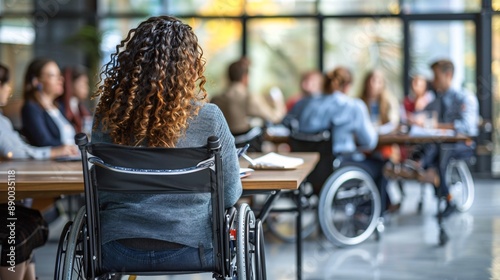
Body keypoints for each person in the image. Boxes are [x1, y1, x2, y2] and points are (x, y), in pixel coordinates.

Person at [91, 16, 242, 272]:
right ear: (190, 66)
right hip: (193, 249)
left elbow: (101, 196)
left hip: (115, 248)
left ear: (131, 64)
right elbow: (229, 195)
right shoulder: (209, 118)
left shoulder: (107, 119)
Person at [0, 63, 75, 280]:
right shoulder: (24, 111)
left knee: (31, 222)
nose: (9, 90)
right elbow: (16, 151)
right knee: (24, 228)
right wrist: (52, 152)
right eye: (5, 85)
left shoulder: (3, 120)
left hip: (14, 187)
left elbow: (21, 150)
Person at [283, 67, 393, 211]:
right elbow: (369, 142)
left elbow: (285, 122)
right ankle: (370, 213)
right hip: (339, 165)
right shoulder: (353, 106)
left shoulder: (303, 104)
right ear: (347, 86)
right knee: (380, 164)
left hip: (308, 169)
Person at [403, 59, 479, 217]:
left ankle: (428, 173)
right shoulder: (436, 100)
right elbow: (424, 116)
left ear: (448, 75)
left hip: (461, 145)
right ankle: (424, 170)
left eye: (436, 76)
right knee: (432, 149)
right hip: (439, 146)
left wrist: (439, 126)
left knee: (440, 151)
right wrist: (418, 118)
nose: (433, 81)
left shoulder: (465, 98)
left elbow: (467, 127)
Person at [211, 57, 286, 150]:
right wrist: (278, 102)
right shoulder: (249, 97)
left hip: (223, 147)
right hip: (246, 146)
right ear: (245, 77)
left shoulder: (216, 99)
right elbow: (275, 118)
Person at [21, 58, 76, 147]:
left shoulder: (59, 107)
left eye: (60, 75)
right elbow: (44, 142)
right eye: (53, 75)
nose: (61, 79)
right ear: (36, 81)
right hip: (54, 160)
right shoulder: (31, 108)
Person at [58, 65, 92, 134]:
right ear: (71, 83)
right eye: (84, 83)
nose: (87, 87)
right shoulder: (60, 106)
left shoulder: (81, 109)